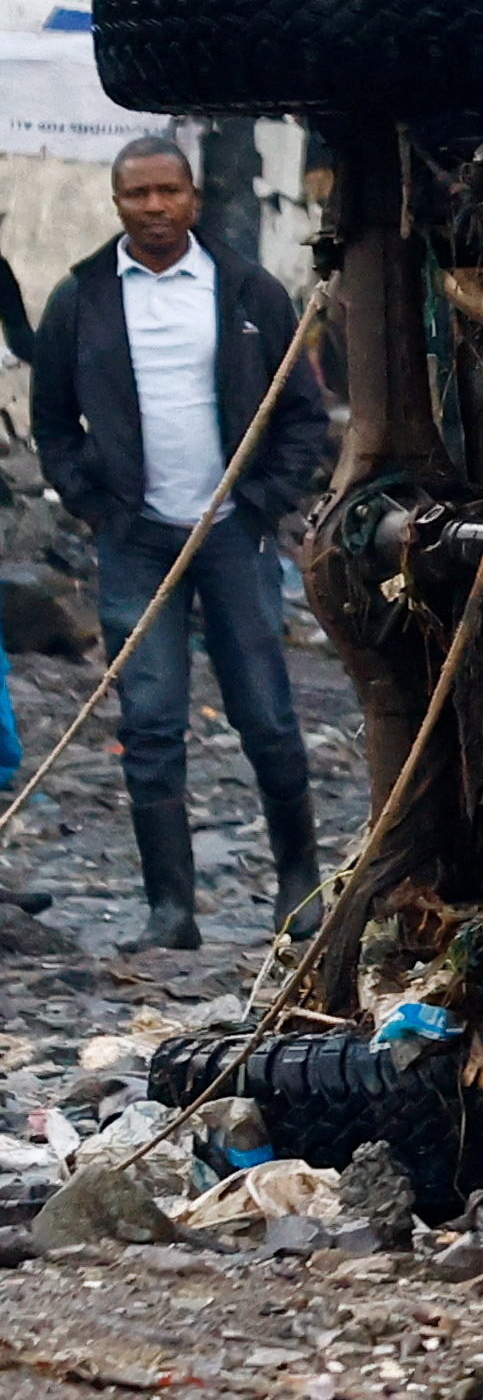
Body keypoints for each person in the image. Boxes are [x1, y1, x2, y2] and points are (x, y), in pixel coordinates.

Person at [32, 133, 322, 947]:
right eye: (137, 195)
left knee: (265, 713)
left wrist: (264, 500)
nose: (154, 208)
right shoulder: (81, 298)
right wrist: (97, 506)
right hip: (137, 539)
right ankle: (172, 912)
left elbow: (300, 414)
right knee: (151, 721)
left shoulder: (247, 290)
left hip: (233, 534)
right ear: (116, 203)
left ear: (193, 198)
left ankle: (300, 884)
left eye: (168, 192)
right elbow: (52, 423)